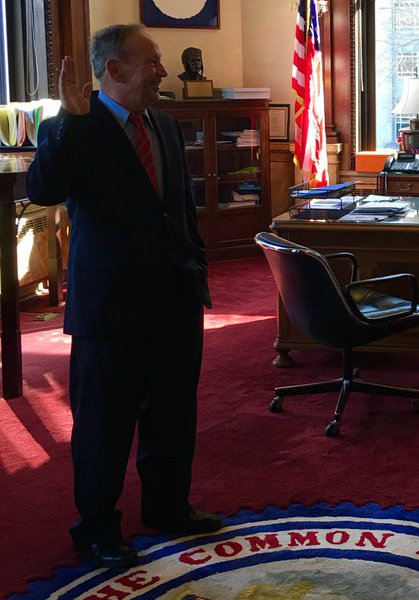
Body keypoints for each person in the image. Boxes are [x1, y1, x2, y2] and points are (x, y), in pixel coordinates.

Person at [26, 24, 221, 569]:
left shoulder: (164, 124)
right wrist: (68, 118)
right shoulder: (74, 126)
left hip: (175, 296)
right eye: (151, 61)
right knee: (104, 424)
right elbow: (42, 189)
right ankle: (95, 528)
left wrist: (197, 267)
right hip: (110, 307)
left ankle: (167, 507)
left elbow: (180, 209)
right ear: (113, 68)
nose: (162, 70)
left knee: (172, 414)